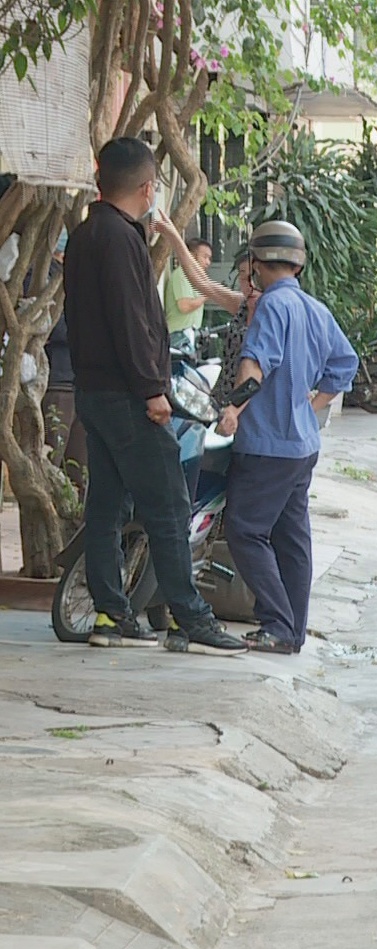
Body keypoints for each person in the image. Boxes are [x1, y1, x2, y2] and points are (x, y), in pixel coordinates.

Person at [63, 136, 245, 654]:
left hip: (93, 394)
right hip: (128, 396)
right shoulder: (121, 239)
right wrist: (151, 390)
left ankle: (110, 614)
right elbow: (130, 323)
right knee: (168, 506)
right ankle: (191, 618)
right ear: (147, 188)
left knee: (107, 507)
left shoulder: (83, 234)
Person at [216, 221, 358, 654]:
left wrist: (233, 408)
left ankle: (277, 624)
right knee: (292, 539)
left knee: (244, 530)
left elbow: (255, 367)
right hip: (302, 446)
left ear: (256, 263)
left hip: (267, 445)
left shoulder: (271, 307)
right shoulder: (315, 309)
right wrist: (311, 406)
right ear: (299, 264)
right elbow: (345, 364)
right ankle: (292, 631)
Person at [153, 218, 259, 407]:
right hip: (227, 398)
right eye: (243, 276)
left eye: (255, 276)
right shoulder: (241, 304)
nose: (249, 283)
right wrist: (173, 235)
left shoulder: (275, 309)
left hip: (253, 404)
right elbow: (202, 283)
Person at [42, 231, 86, 495]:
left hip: (81, 382)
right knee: (52, 460)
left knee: (79, 468)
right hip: (57, 381)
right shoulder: (41, 276)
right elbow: (52, 328)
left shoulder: (75, 275)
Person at [162, 236, 213, 353]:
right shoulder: (182, 274)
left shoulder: (195, 278)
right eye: (205, 257)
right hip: (178, 336)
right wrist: (206, 295)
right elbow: (184, 306)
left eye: (209, 258)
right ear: (191, 255)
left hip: (189, 336)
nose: (208, 262)